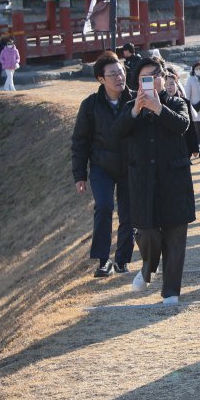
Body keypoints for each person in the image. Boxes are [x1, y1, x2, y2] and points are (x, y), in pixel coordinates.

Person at [114, 57, 196, 305]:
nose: (150, 82)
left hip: (175, 179)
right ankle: (148, 267)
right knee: (146, 231)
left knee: (175, 234)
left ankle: (171, 292)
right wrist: (135, 110)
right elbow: (116, 133)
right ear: (137, 83)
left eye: (154, 76)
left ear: (163, 78)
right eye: (143, 78)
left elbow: (182, 125)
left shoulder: (177, 102)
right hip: (143, 181)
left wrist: (159, 108)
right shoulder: (129, 106)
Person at [71, 51, 135, 278]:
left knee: (129, 213)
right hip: (101, 167)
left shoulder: (136, 99)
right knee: (105, 206)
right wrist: (80, 175)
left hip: (130, 166)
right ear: (101, 79)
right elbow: (80, 141)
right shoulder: (90, 105)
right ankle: (103, 260)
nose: (120, 77)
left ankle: (123, 259)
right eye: (113, 74)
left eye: (121, 72)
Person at [164, 64, 200, 157]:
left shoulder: (184, 101)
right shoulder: (160, 104)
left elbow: (191, 127)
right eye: (166, 84)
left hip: (184, 145)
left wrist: (194, 147)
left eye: (172, 84)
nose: (169, 87)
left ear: (177, 85)